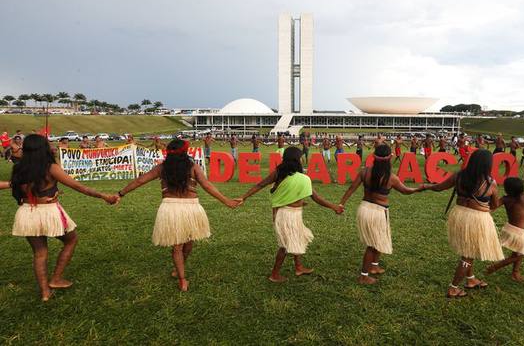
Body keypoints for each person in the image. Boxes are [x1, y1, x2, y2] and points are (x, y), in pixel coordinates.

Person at [117, 139, 240, 291]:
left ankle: (181, 278)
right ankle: (181, 277)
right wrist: (226, 201)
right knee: (187, 243)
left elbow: (140, 180)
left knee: (178, 246)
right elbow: (207, 186)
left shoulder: (162, 168)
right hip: (191, 208)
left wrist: (120, 194)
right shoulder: (193, 167)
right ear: (185, 152)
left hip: (170, 208)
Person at [9, 134, 119, 301]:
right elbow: (78, 186)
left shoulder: (18, 168)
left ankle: (45, 292)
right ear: (43, 148)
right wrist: (104, 196)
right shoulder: (50, 167)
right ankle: (56, 278)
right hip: (48, 211)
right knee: (71, 239)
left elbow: (18, 190)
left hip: (26, 212)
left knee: (40, 253)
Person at [238, 147, 343, 283]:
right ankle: (274, 274)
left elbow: (260, 185)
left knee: (297, 238)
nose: (301, 160)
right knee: (285, 245)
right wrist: (334, 207)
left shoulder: (280, 173)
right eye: (300, 158)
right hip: (287, 216)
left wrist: (244, 197)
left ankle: (298, 267)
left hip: (292, 213)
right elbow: (316, 198)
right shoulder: (297, 177)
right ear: (296, 160)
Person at [422, 149, 504, 298]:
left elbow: (439, 187)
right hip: (476, 219)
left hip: (459, 215)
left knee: (468, 249)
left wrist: (425, 186)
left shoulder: (458, 176)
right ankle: (453, 287)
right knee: (468, 255)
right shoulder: (490, 183)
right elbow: (494, 205)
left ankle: (471, 279)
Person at [339, 144, 425, 285]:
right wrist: (419, 189)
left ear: (374, 157)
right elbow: (405, 191)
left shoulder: (365, 171)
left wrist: (342, 204)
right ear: (389, 158)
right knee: (372, 244)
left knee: (379, 238)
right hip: (377, 212)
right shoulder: (391, 177)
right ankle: (363, 276)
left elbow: (351, 188)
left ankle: (374, 266)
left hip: (365, 208)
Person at [484, 177, 524, 282]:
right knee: (521, 254)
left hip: (508, 229)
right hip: (518, 233)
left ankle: (515, 272)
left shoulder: (505, 199)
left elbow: (493, 207)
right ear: (521, 188)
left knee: (517, 252)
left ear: (507, 189)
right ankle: (497, 266)